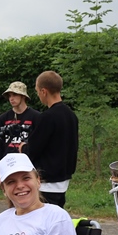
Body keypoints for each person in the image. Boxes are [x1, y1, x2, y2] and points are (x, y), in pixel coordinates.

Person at [24, 71, 78, 208]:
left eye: (37, 91)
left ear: (44, 91)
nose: (37, 95)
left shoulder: (47, 117)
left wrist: (22, 148)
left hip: (47, 184)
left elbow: (33, 150)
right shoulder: (71, 115)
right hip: (63, 180)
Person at [0, 81, 41, 181]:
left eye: (15, 95)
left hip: (28, 164)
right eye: (9, 95)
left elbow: (39, 145)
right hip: (8, 163)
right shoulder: (3, 119)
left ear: (23, 96)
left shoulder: (36, 117)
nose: (11, 98)